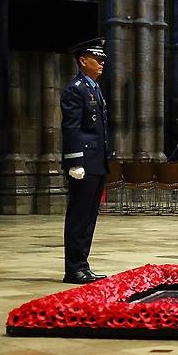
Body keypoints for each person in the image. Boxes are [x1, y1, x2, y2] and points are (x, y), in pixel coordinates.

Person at [60, 37, 109, 284]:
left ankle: (82, 265)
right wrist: (74, 162)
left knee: (88, 218)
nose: (102, 63)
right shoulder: (75, 89)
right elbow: (71, 129)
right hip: (84, 164)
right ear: (83, 61)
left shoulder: (92, 87)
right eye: (97, 59)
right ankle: (74, 268)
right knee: (79, 217)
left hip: (95, 162)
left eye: (102, 59)